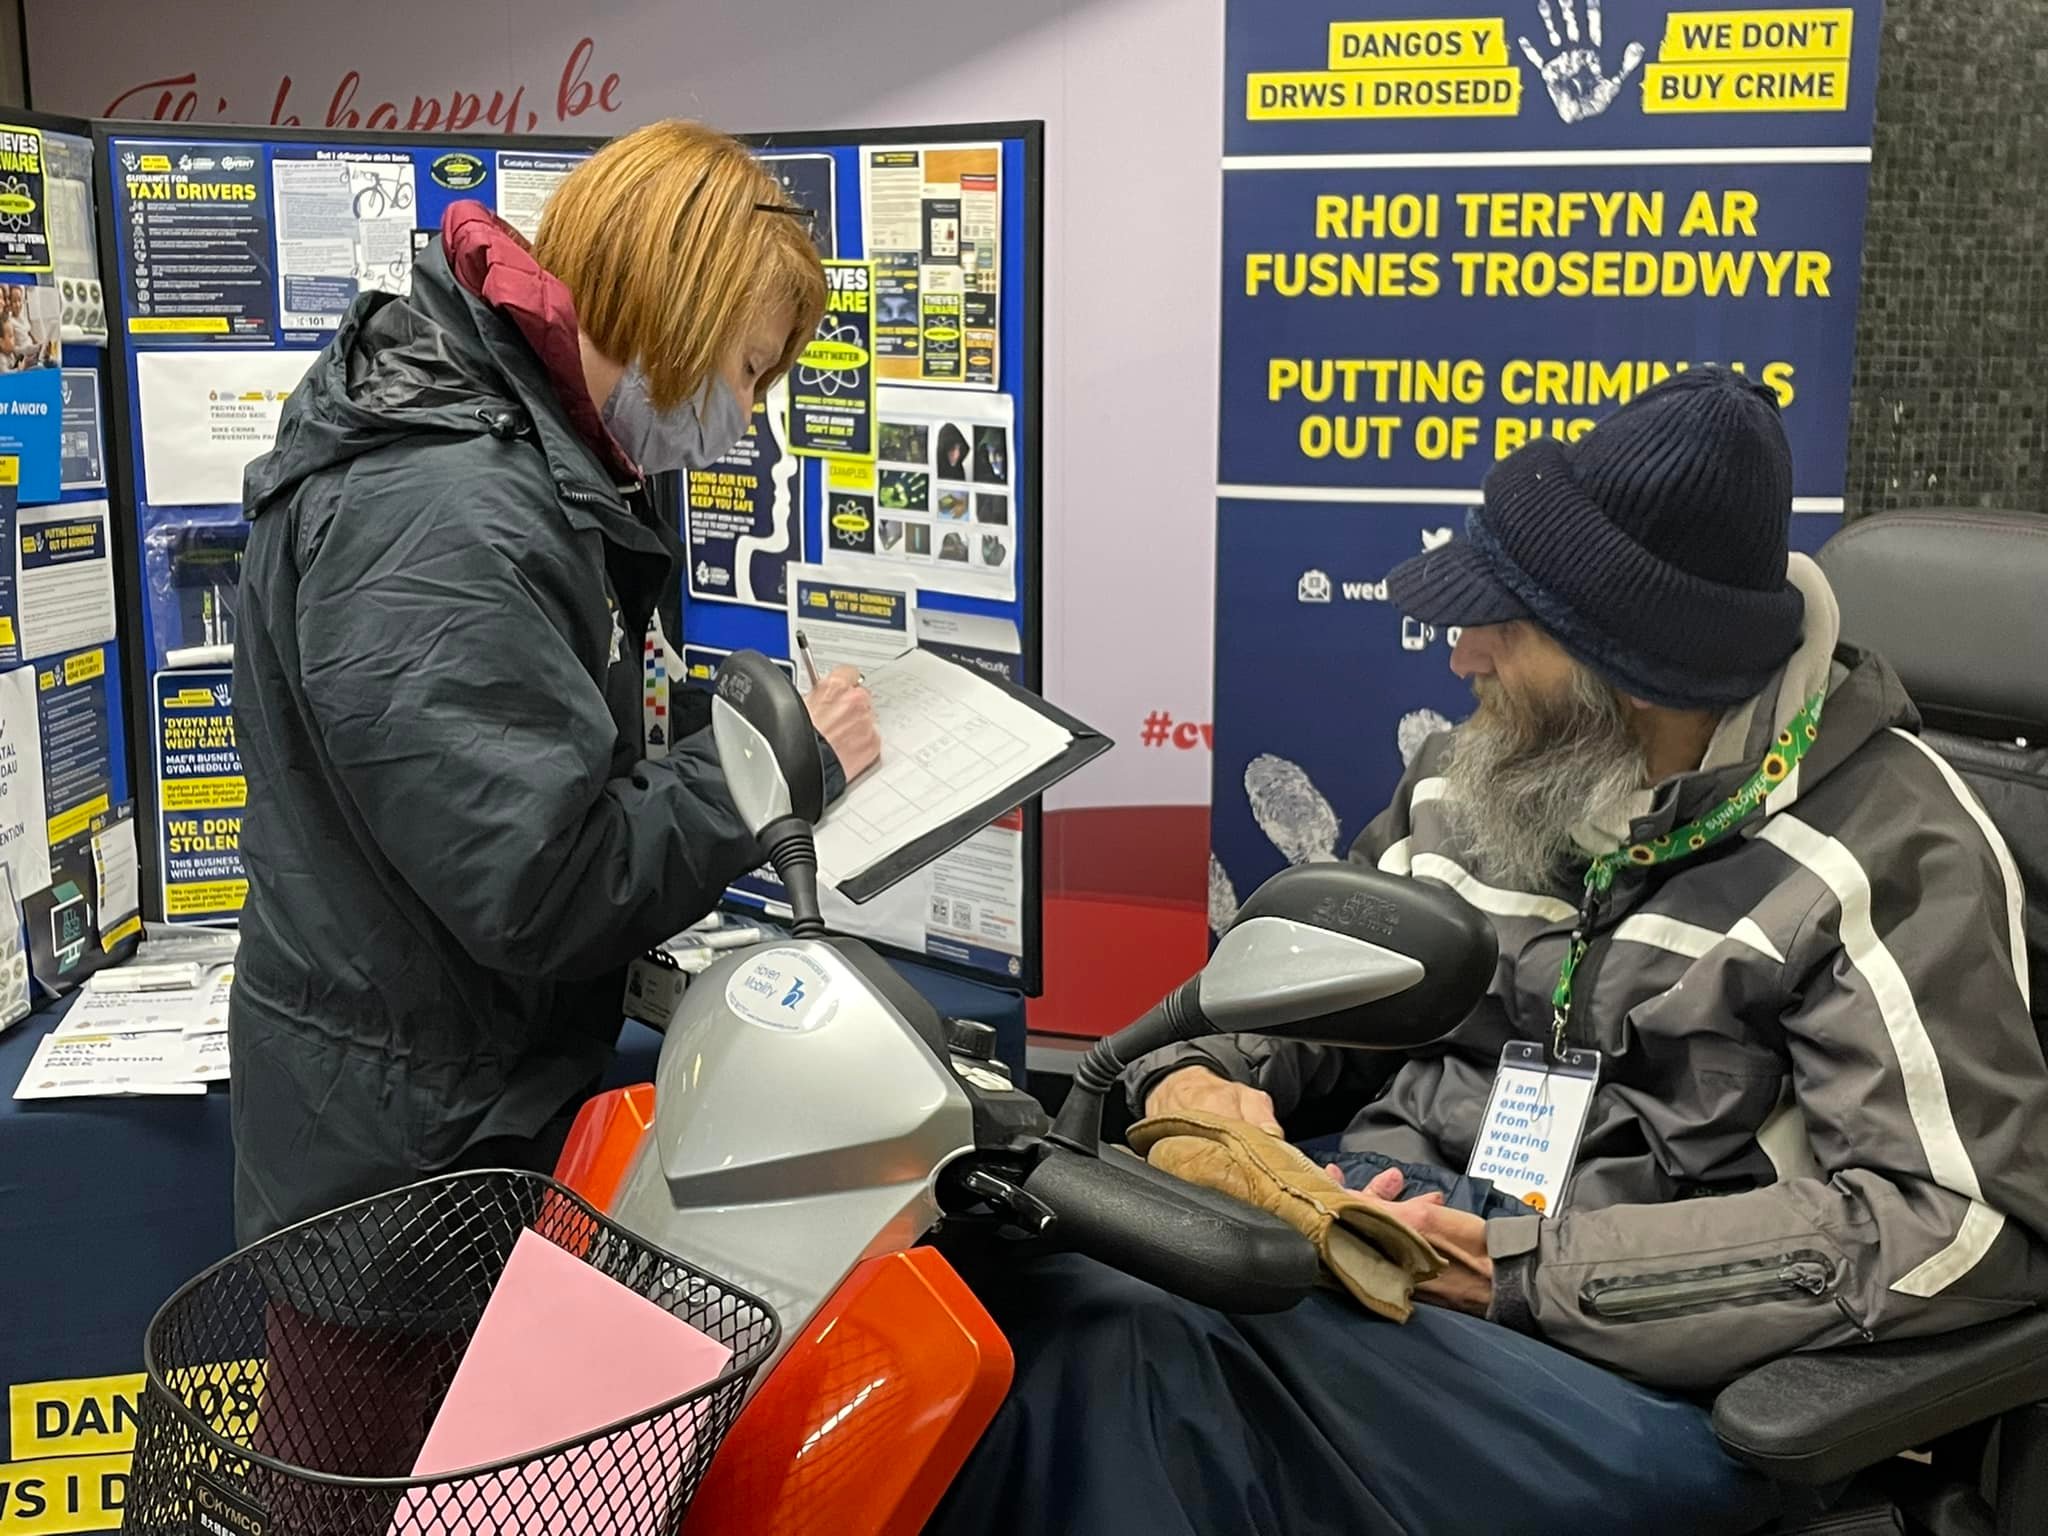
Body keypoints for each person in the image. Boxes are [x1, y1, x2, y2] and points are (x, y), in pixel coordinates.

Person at [930, 369, 2048, 1535]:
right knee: (1022, 1285)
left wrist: (1515, 1268)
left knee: (1136, 1365)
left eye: (1499, 624)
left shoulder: (1884, 852)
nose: (1459, 653)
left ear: (1632, 659)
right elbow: (1305, 978)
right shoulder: (1482, 779)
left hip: (1628, 1363)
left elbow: (1962, 1225)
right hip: (1379, 1233)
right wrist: (1204, 1078)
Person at [229, 121, 880, 1245]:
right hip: (413, 1157)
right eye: (749, 367)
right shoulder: (447, 509)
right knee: (399, 1427)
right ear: (682, 312)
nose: (750, 411)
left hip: (440, 1104)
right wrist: (765, 770)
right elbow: (538, 885)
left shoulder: (505, 457)